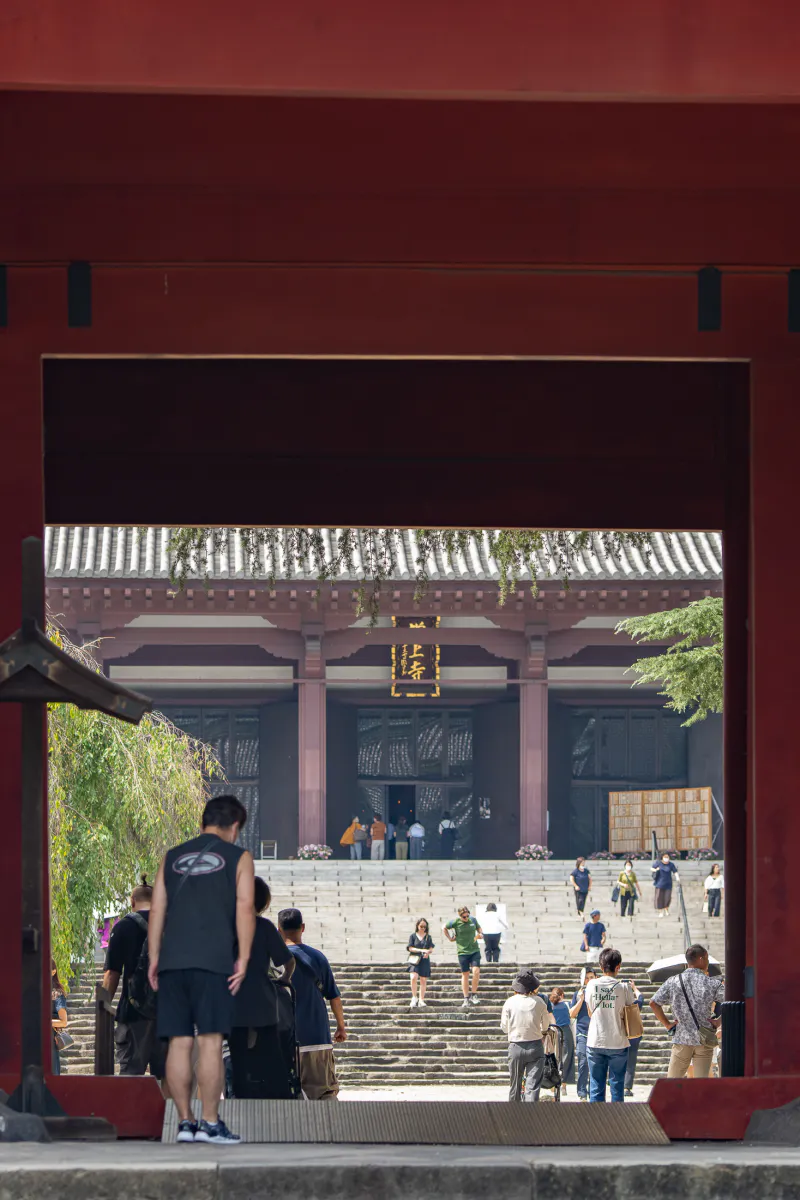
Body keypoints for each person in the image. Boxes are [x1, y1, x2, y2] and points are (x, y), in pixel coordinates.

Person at [147, 793, 256, 1145]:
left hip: (173, 962)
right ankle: (210, 1123)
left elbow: (157, 910)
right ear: (235, 826)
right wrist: (244, 957)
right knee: (210, 1042)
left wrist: (154, 957)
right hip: (213, 961)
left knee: (179, 1042)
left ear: (203, 822)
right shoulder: (239, 858)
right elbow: (245, 907)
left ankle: (185, 1122)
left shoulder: (171, 856)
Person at [228, 877, 296, 1098]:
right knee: (272, 1054)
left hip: (232, 1000)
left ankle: (241, 1098)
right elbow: (289, 961)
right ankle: (281, 1098)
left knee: (237, 1056)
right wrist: (285, 978)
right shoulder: (264, 927)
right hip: (262, 1000)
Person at [103, 875, 167, 1080]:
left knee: (130, 1077)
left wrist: (104, 1008)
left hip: (133, 1014)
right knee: (167, 1079)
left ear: (132, 901)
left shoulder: (123, 927)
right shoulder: (170, 926)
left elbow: (112, 974)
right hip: (167, 1014)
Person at [279, 907, 346, 1099]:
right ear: (303, 927)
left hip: (282, 1042)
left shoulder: (273, 961)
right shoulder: (318, 957)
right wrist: (341, 1027)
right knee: (323, 1096)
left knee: (285, 1099)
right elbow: (334, 997)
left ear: (278, 929)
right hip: (316, 1038)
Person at [649, 943, 723, 1079]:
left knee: (672, 1081)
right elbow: (731, 1002)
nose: (707, 962)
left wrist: (667, 1024)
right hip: (704, 1039)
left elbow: (653, 1003)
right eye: (707, 958)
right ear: (701, 958)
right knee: (701, 1084)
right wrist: (719, 1021)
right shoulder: (712, 983)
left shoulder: (673, 981)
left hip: (681, 1038)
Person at [585, 947, 635, 1102]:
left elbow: (589, 1012)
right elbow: (631, 1012)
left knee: (596, 1087)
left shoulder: (591, 985)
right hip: (618, 1041)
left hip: (595, 1040)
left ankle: (596, 1118)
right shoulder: (624, 987)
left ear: (601, 966)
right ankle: (616, 1117)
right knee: (617, 1086)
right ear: (618, 967)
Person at [501, 969, 554, 1102]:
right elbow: (545, 1026)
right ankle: (530, 1111)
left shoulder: (509, 1002)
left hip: (515, 1046)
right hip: (535, 1046)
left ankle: (513, 1111)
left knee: (515, 1085)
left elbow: (504, 1028)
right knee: (533, 1086)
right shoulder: (540, 1002)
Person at [443, 906, 483, 1008]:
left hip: (474, 950)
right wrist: (450, 938)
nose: (466, 918)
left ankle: (474, 994)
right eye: (464, 917)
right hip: (462, 952)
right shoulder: (455, 922)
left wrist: (480, 933)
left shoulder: (473, 920)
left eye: (467, 916)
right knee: (465, 974)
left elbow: (479, 928)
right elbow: (444, 927)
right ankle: (466, 998)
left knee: (476, 971)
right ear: (460, 916)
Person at [569, 967, 596, 1101]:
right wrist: (581, 1000)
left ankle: (593, 1091)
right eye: (587, 978)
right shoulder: (578, 994)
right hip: (582, 1032)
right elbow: (572, 1014)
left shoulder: (599, 993)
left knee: (595, 1063)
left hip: (596, 1032)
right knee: (583, 1061)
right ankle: (582, 1092)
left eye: (591, 978)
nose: (589, 980)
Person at [550, 986, 575, 1091]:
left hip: (553, 1031)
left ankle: (553, 1082)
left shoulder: (550, 1006)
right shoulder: (566, 1005)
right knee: (567, 1056)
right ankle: (563, 1083)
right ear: (562, 995)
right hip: (566, 1031)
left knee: (554, 1056)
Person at [407, 917, 434, 1007]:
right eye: (421, 926)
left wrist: (428, 952)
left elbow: (431, 948)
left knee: (423, 980)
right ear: (417, 926)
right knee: (413, 977)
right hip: (414, 959)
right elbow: (410, 948)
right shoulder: (413, 936)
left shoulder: (428, 937)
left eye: (424, 927)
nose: (423, 928)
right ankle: (414, 997)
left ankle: (421, 999)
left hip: (424, 959)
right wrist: (421, 950)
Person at [624, 982, 645, 1096]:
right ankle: (626, 1087)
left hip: (619, 1036)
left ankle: (616, 1083)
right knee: (631, 1062)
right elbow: (641, 996)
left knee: (617, 1060)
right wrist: (634, 987)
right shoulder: (636, 1004)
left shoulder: (618, 1004)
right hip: (633, 1037)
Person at [51, 960, 68, 1076]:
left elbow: (63, 1022)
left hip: (49, 1041)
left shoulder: (57, 994)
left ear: (53, 971)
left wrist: (43, 1021)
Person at [651, 852, 680, 917]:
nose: (666, 858)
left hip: (668, 883)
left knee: (667, 897)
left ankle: (666, 909)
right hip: (659, 883)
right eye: (665, 857)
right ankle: (660, 911)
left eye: (667, 857)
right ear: (662, 857)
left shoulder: (671, 864)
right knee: (659, 897)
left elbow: (675, 871)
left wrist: (677, 877)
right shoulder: (658, 863)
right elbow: (652, 868)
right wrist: (656, 870)